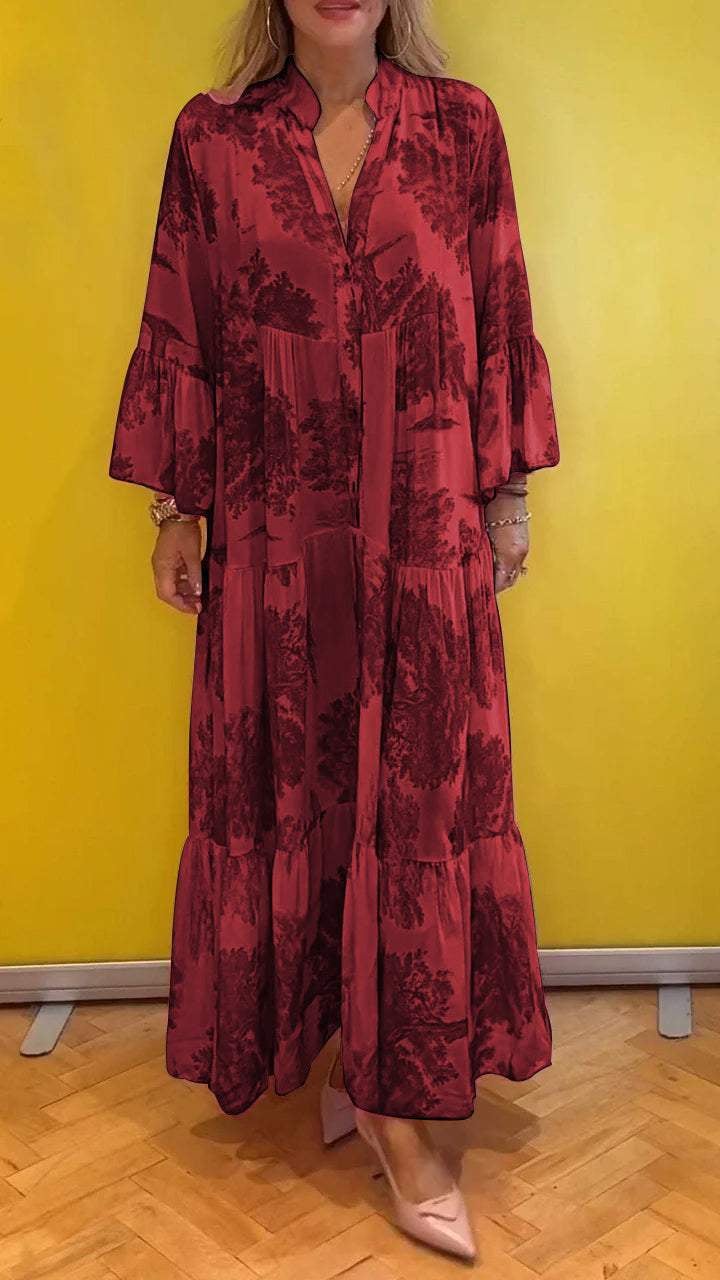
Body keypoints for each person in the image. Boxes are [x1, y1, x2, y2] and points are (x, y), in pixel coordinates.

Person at [108, 0, 560, 1261]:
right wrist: (175, 511)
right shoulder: (213, 142)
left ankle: (399, 1107)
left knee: (414, 805)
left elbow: (498, 303)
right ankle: (352, 1066)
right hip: (277, 544)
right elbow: (183, 325)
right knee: (298, 796)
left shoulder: (462, 131)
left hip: (422, 535)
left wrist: (509, 494)